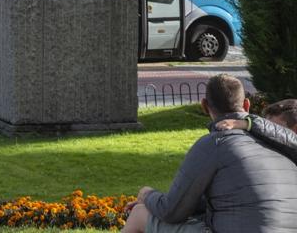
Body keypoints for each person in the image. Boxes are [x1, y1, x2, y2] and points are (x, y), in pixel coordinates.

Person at [120, 73, 297, 233]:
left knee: (139, 214)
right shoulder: (280, 146)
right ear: (246, 104)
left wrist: (147, 195)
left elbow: (172, 211)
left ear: (204, 106)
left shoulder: (215, 143)